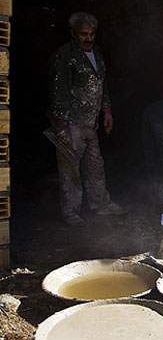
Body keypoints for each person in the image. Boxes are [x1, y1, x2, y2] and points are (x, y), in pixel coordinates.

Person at [48, 12, 127, 227]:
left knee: (95, 165)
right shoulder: (65, 56)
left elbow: (102, 85)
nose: (89, 38)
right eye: (84, 34)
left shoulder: (97, 54)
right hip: (71, 122)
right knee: (70, 169)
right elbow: (59, 91)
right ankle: (71, 212)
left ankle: (101, 203)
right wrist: (61, 125)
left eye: (92, 34)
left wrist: (107, 111)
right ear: (73, 33)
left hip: (89, 123)